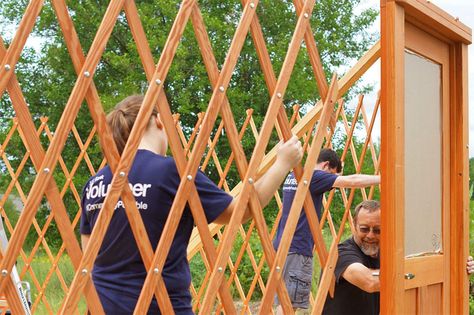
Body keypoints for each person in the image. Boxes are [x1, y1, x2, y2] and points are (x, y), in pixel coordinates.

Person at [80, 95, 304, 314]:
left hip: (102, 306)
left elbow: (88, 257)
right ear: (159, 121)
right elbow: (238, 212)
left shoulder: (95, 183)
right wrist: (282, 164)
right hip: (160, 306)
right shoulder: (172, 171)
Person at [273, 149, 380, 314]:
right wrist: (382, 178)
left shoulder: (293, 176)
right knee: (289, 304)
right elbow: (352, 180)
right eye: (332, 174)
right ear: (326, 165)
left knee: (285, 299)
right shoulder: (313, 176)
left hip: (282, 245)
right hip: (298, 246)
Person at [322, 200, 380, 315]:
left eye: (378, 230)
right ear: (354, 226)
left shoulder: (386, 252)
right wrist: (405, 274)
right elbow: (369, 281)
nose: (370, 235)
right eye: (364, 229)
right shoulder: (341, 253)